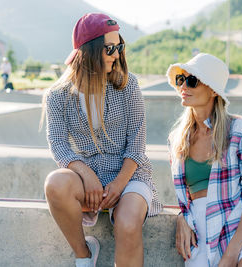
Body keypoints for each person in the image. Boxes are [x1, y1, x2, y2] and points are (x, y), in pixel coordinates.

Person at [42, 13, 162, 267]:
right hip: (88, 178)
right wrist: (86, 174)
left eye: (119, 47)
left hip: (130, 175)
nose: (117, 54)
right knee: (55, 183)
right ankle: (84, 256)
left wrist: (118, 184)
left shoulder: (128, 85)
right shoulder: (57, 96)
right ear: (90, 50)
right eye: (110, 48)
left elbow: (137, 145)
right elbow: (59, 145)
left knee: (128, 224)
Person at [166, 53, 242, 267]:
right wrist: (182, 216)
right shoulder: (176, 140)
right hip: (200, 237)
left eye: (192, 81)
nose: (184, 86)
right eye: (181, 79)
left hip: (240, 231)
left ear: (212, 90)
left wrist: (230, 254)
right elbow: (185, 197)